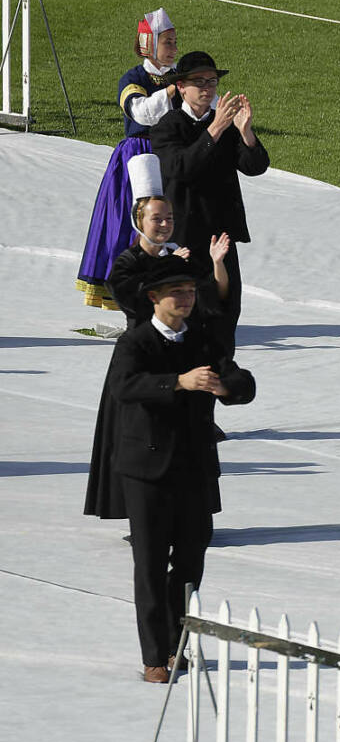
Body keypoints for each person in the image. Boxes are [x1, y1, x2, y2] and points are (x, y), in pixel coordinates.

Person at [105, 255, 255, 682]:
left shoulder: (203, 337)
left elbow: (241, 379)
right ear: (154, 298)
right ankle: (155, 656)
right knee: (150, 565)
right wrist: (177, 382)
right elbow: (124, 387)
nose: (187, 299)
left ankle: (177, 643)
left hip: (194, 467)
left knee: (191, 559)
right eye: (177, 292)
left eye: (190, 292)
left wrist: (226, 386)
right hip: (146, 470)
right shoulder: (136, 342)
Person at [86, 154, 231, 520]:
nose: (165, 224)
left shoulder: (180, 257)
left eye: (169, 218)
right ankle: (140, 513)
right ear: (140, 222)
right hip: (142, 356)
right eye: (157, 219)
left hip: (181, 353)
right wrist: (169, 269)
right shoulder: (127, 263)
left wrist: (215, 263)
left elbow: (214, 297)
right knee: (139, 436)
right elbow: (135, 302)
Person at [148, 50, 269, 348]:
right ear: (181, 87)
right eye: (198, 81)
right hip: (185, 235)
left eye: (211, 81)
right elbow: (180, 168)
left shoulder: (227, 126)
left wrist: (246, 132)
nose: (206, 88)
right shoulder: (168, 126)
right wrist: (214, 130)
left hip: (221, 230)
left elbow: (255, 167)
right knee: (187, 306)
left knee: (227, 304)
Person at [76, 8, 181, 312]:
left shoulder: (178, 77)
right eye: (168, 42)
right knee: (132, 223)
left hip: (170, 154)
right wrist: (173, 91)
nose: (174, 48)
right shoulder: (133, 78)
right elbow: (141, 113)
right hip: (139, 157)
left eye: (175, 42)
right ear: (150, 45)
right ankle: (129, 295)